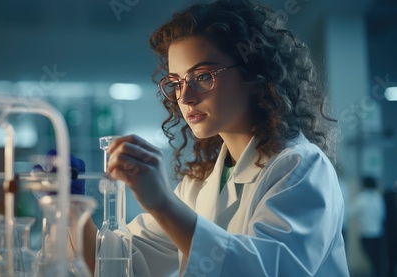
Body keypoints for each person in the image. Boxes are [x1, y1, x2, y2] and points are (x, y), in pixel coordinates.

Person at [82, 0, 349, 276]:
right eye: (176, 82)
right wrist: (68, 207)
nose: (185, 97)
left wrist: (161, 203)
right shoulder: (198, 186)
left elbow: (265, 270)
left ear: (255, 75)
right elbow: (117, 266)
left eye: (203, 76)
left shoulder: (302, 167)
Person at [350, 177, 386, 277]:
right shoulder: (378, 197)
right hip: (378, 233)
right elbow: (383, 215)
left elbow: (350, 211)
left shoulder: (362, 198)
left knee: (373, 259)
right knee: (377, 259)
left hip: (366, 234)